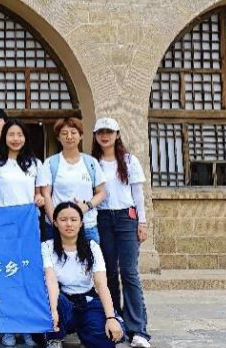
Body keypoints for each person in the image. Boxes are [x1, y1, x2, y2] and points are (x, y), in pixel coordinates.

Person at [92, 117, 151, 348]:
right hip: (102, 218)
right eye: (100, 132)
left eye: (109, 132)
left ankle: (139, 330)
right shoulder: (92, 162)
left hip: (127, 217)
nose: (105, 136)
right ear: (95, 136)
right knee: (108, 273)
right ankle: (116, 323)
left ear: (117, 134)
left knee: (129, 272)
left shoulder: (129, 160)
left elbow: (138, 194)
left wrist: (142, 222)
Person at [0, 119, 44, 348]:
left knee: (26, 277)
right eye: (11, 134)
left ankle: (27, 328)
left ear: (25, 138)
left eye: (20, 134)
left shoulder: (35, 164)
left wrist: (39, 199)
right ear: (4, 137)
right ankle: (8, 327)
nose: (16, 138)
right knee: (6, 277)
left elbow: (39, 194)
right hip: (3, 229)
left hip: (28, 229)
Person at [42, 202, 125, 348]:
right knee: (53, 300)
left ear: (81, 223)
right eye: (63, 219)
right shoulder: (47, 246)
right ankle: (54, 338)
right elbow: (51, 280)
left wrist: (110, 317)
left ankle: (86, 331)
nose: (69, 224)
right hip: (62, 302)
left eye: (74, 219)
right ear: (55, 223)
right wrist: (53, 311)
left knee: (108, 337)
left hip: (88, 301)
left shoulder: (92, 247)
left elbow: (101, 284)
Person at [38, 118, 106, 244]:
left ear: (81, 136)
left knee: (90, 256)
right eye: (64, 133)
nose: (69, 137)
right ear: (58, 138)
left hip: (87, 225)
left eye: (73, 133)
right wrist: (55, 221)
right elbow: (46, 194)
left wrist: (86, 206)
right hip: (56, 226)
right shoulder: (50, 163)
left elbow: (101, 192)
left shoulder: (91, 163)